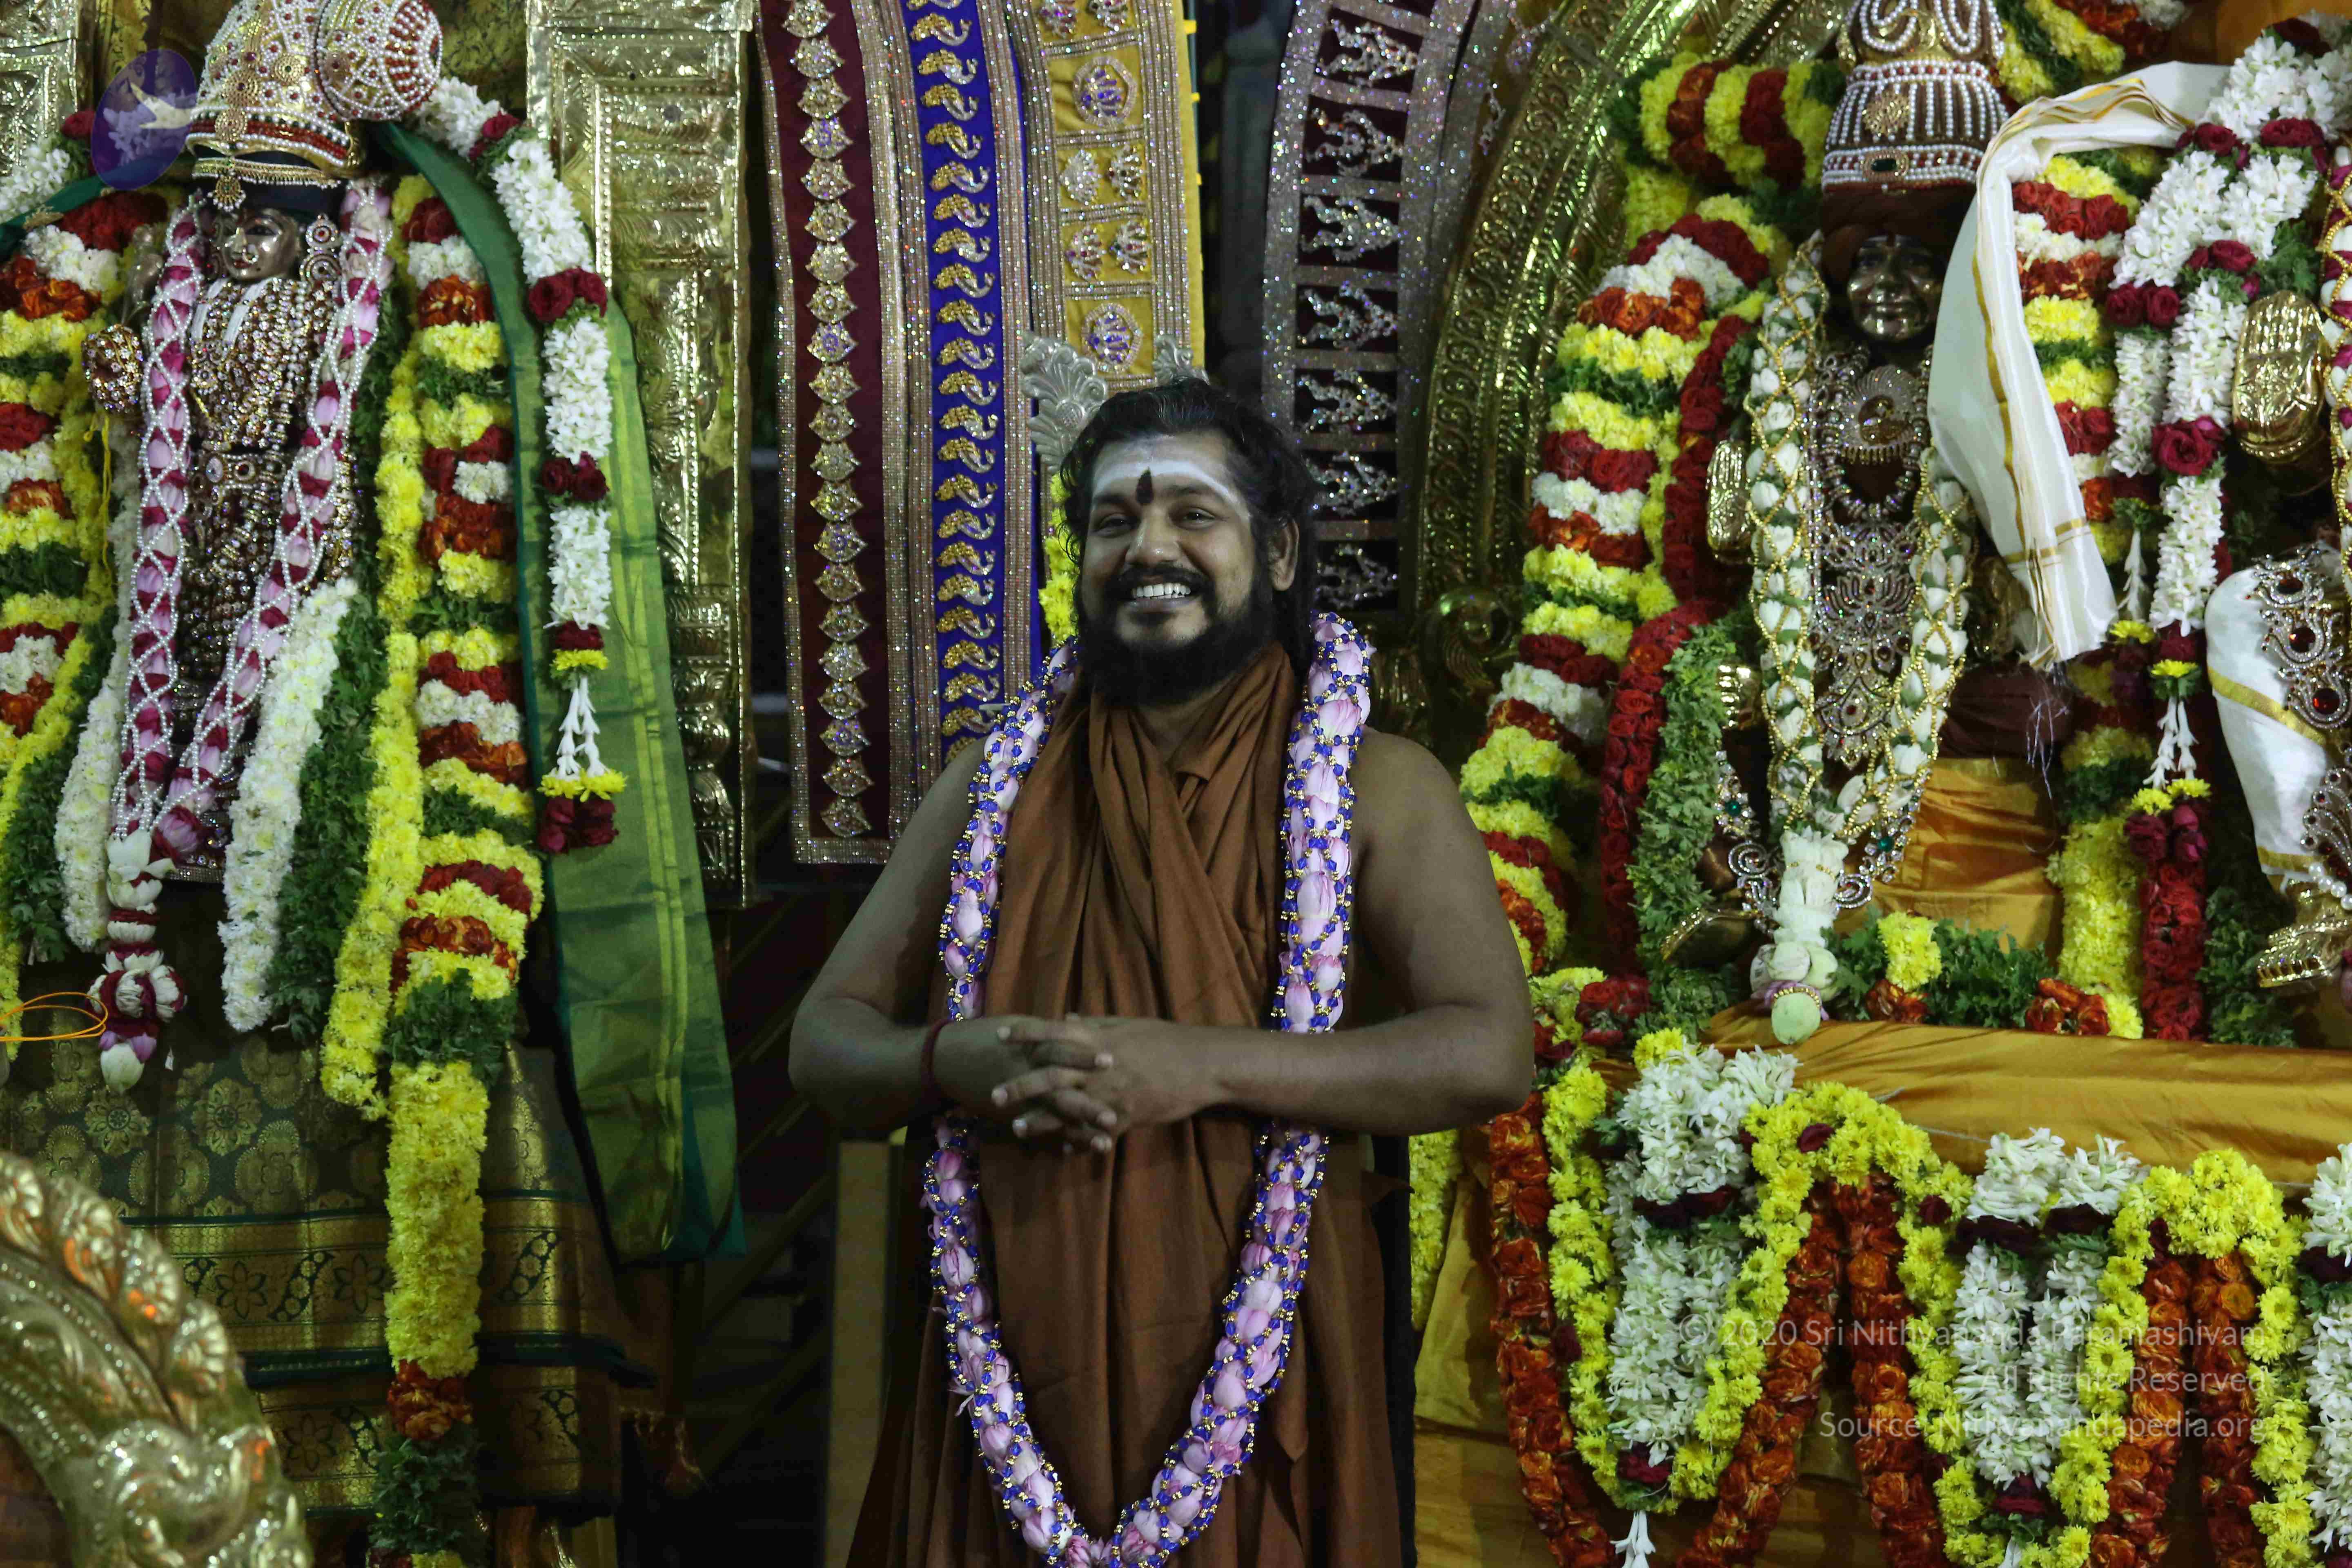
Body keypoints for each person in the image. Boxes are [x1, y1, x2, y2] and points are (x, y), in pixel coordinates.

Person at [792, 376, 1532, 1566]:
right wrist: (948, 1062)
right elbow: (823, 1042)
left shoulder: (1378, 785)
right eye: (1112, 521)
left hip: (1261, 1365)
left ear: (1277, 553)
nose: (1148, 549)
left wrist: (1202, 1068)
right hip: (1006, 1364)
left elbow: (1490, 1050)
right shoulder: (992, 784)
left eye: (1193, 514)